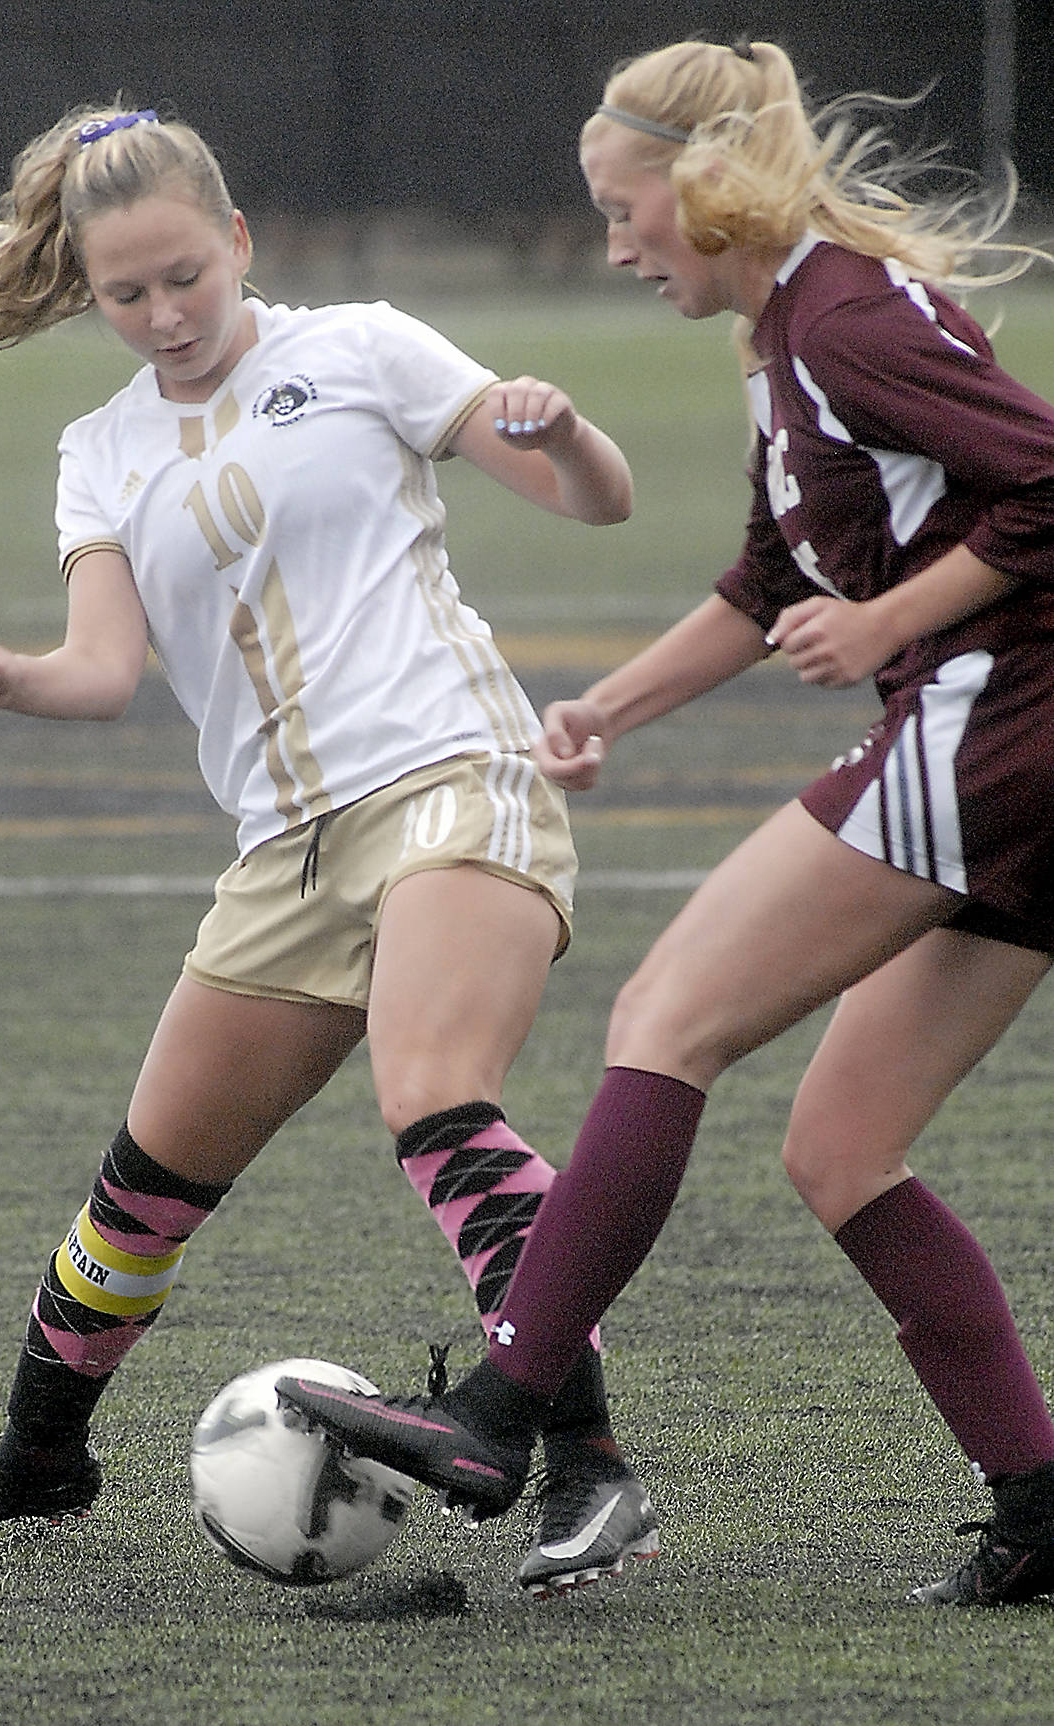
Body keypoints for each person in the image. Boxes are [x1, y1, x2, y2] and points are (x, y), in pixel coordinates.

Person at [277, 38, 1054, 1609]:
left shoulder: (836, 315)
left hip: (1002, 720)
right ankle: (1040, 1505)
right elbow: (768, 585)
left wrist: (898, 611)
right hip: (1002, 738)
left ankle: (502, 1411)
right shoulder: (789, 332)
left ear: (703, 189)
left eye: (623, 208)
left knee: (666, 1015)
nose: (616, 243)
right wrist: (600, 712)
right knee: (843, 1150)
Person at [0, 101, 661, 1598]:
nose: (164, 315)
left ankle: (590, 1469)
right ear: (90, 291)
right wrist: (4, 671)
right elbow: (102, 668)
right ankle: (40, 1460)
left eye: (186, 277)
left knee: (433, 1098)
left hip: (451, 782)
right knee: (142, 1189)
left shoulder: (362, 345)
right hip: (285, 852)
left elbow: (595, 499)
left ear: (239, 242)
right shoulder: (97, 450)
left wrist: (576, 437)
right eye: (125, 294)